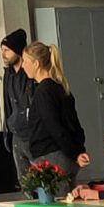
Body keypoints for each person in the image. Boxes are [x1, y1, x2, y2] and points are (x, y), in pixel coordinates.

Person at [14, 42, 86, 176]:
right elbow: (74, 123)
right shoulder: (60, 87)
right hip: (67, 156)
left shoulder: (43, 92)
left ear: (36, 64)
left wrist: (74, 153)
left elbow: (54, 127)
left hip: (52, 157)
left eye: (25, 61)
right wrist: (78, 150)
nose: (22, 65)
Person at [0, 27, 32, 177]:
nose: (3, 55)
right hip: (16, 134)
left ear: (18, 51)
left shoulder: (29, 75)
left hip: (32, 134)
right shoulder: (8, 74)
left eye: (7, 50)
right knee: (24, 180)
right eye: (2, 50)